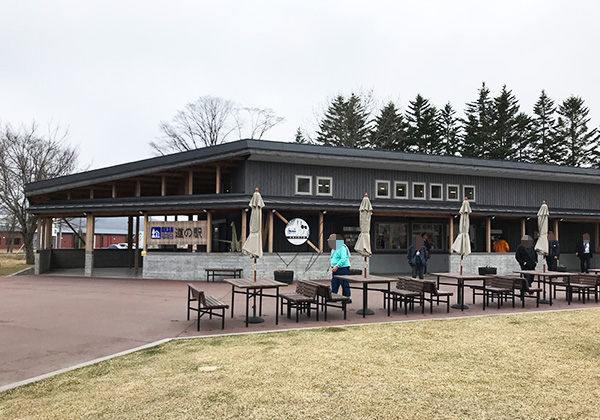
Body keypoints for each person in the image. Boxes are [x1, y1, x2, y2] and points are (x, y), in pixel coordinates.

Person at [328, 233, 351, 301]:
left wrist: (337, 266)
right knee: (334, 282)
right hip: (335, 268)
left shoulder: (342, 247)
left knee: (344, 282)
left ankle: (347, 297)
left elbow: (343, 258)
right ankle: (333, 296)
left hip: (342, 267)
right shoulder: (334, 248)